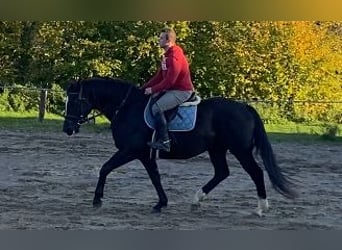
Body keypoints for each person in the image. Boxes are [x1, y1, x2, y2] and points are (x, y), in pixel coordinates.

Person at [141, 27, 195, 152]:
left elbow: (170, 81)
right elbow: (159, 77)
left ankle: (165, 142)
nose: (158, 40)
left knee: (157, 108)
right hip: (172, 89)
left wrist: (152, 89)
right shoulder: (166, 56)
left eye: (161, 38)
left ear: (168, 40)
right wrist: (143, 88)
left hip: (182, 91)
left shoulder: (174, 57)